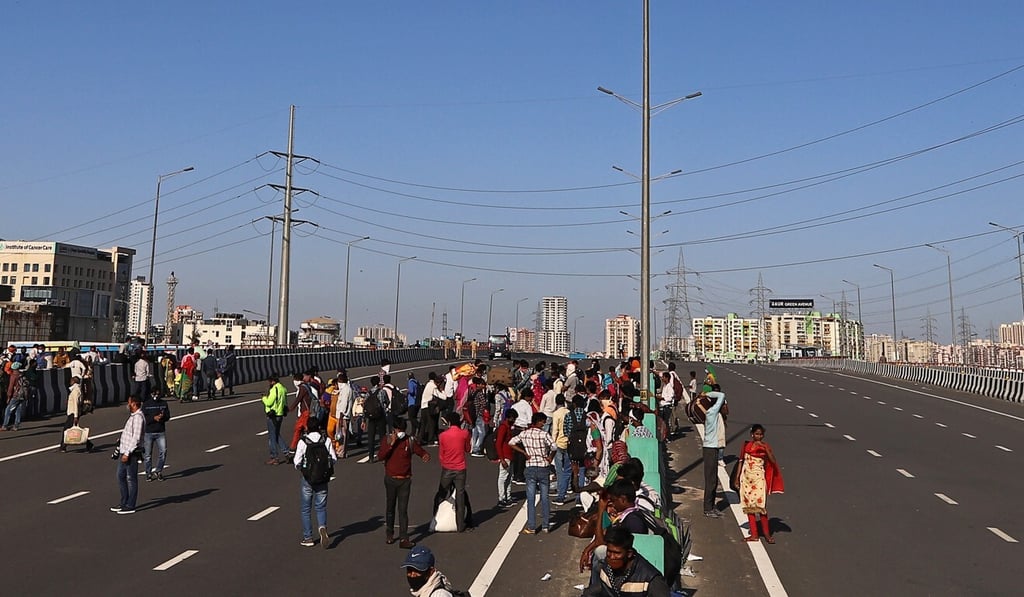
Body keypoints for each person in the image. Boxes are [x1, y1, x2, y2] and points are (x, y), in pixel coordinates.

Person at [379, 427, 430, 548]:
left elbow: (420, 451)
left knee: (403, 510)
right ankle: (389, 534)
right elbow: (380, 456)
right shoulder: (387, 440)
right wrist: (391, 444)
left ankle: (403, 538)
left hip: (405, 480)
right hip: (391, 479)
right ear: (393, 431)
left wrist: (424, 455)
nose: (399, 433)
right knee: (390, 507)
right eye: (397, 430)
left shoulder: (409, 441)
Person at [582, 526, 671, 597]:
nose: (612, 557)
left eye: (617, 553)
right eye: (609, 551)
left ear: (629, 554)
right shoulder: (606, 567)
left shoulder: (651, 579)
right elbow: (596, 589)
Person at [293, 415, 337, 548]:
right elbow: (333, 459)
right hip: (323, 478)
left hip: (308, 478)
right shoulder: (326, 440)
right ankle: (322, 527)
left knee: (306, 508)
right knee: (321, 506)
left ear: (307, 427)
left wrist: (303, 469)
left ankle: (308, 537)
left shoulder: (303, 441)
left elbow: (296, 461)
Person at [509, 412, 556, 534]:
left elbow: (511, 442)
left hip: (530, 467)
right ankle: (545, 525)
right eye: (543, 421)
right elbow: (554, 447)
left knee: (531, 498)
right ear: (538, 422)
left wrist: (524, 452)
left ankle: (532, 526)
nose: (544, 423)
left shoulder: (524, 434)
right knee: (545, 497)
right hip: (543, 466)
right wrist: (550, 457)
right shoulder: (544, 434)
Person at [739, 423, 785, 543]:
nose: (758, 437)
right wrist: (737, 478)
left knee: (761, 507)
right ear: (752, 435)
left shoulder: (765, 446)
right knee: (749, 507)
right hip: (746, 479)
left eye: (761, 434)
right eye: (756, 434)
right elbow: (741, 461)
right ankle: (754, 534)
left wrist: (765, 449)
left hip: (759, 479)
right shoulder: (746, 445)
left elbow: (773, 461)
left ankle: (767, 534)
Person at [435, 412, 471, 532]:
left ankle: (435, 517)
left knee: (441, 493)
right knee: (460, 496)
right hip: (460, 468)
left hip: (447, 468)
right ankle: (460, 525)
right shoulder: (464, 434)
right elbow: (468, 449)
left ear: (449, 422)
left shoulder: (443, 435)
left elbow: (441, 454)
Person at [111, 396, 145, 515]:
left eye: (129, 402)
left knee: (131, 479)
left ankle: (131, 505)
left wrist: (127, 453)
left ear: (134, 404)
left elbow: (136, 437)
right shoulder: (133, 417)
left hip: (131, 453)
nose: (127, 404)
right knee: (120, 476)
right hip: (124, 451)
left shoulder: (138, 418)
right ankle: (124, 501)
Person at [702, 384, 728, 517]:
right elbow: (722, 396)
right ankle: (708, 508)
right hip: (710, 449)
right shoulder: (712, 412)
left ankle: (711, 506)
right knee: (711, 480)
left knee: (713, 480)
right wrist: (708, 394)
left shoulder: (711, 412)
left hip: (712, 448)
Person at [141, 390, 172, 481]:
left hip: (160, 431)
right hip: (149, 432)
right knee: (147, 455)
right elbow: (143, 418)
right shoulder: (146, 404)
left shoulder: (163, 403)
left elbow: (168, 416)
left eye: (158, 394)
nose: (156, 396)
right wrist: (153, 418)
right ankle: (148, 473)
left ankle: (158, 470)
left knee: (163, 451)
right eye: (154, 394)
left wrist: (162, 417)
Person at [59, 376, 93, 453]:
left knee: (66, 429)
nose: (70, 382)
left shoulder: (75, 391)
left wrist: (75, 416)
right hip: (72, 413)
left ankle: (63, 446)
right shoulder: (76, 390)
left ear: (74, 381)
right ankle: (88, 444)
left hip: (73, 413)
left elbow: (75, 404)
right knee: (73, 430)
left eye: (71, 381)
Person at [550, 394, 572, 506]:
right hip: (568, 442)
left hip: (558, 443)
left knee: (559, 469)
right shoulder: (568, 412)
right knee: (568, 468)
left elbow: (555, 430)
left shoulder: (556, 414)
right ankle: (567, 486)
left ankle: (560, 491)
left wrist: (552, 443)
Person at [262, 375, 289, 464]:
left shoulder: (275, 389)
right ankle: (286, 452)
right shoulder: (283, 389)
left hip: (273, 415)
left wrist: (264, 398)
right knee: (276, 434)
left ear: (273, 381)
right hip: (280, 414)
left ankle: (274, 456)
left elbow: (269, 402)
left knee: (272, 437)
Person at [495, 409, 518, 508]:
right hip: (506, 456)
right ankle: (502, 498)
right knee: (503, 478)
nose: (514, 420)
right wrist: (502, 458)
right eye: (513, 418)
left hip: (510, 455)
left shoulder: (507, 427)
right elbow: (498, 443)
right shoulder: (504, 427)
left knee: (509, 477)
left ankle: (507, 497)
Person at [288, 371, 315, 454]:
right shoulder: (307, 386)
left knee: (298, 429)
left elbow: (298, 400)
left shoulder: (302, 388)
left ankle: (293, 449)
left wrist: (290, 409)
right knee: (305, 430)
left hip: (305, 413)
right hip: (307, 412)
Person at [2, 361, 27, 431]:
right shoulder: (21, 375)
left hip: (15, 395)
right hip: (22, 394)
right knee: (18, 410)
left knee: (8, 410)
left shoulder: (13, 376)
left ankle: (5, 425)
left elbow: (10, 387)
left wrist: (8, 397)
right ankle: (16, 425)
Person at [406, 372, 421, 438]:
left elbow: (411, 391)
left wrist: (408, 391)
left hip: (412, 402)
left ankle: (419, 427)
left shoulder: (410, 382)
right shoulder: (416, 382)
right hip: (417, 402)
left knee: (411, 418)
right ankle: (413, 433)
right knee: (414, 417)